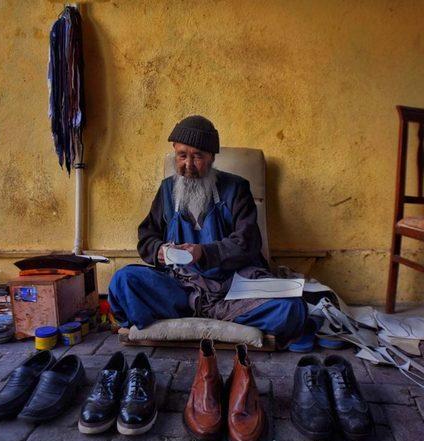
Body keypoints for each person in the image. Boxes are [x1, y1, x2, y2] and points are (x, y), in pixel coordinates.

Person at [108, 115, 307, 346]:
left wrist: (203, 252)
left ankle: (209, 311)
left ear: (212, 157)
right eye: (182, 156)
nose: (188, 165)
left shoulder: (237, 189)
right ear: (175, 152)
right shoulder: (167, 190)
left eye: (197, 156)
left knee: (292, 309)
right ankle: (198, 309)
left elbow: (247, 243)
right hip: (181, 288)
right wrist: (158, 250)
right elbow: (147, 237)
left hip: (231, 289)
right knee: (123, 280)